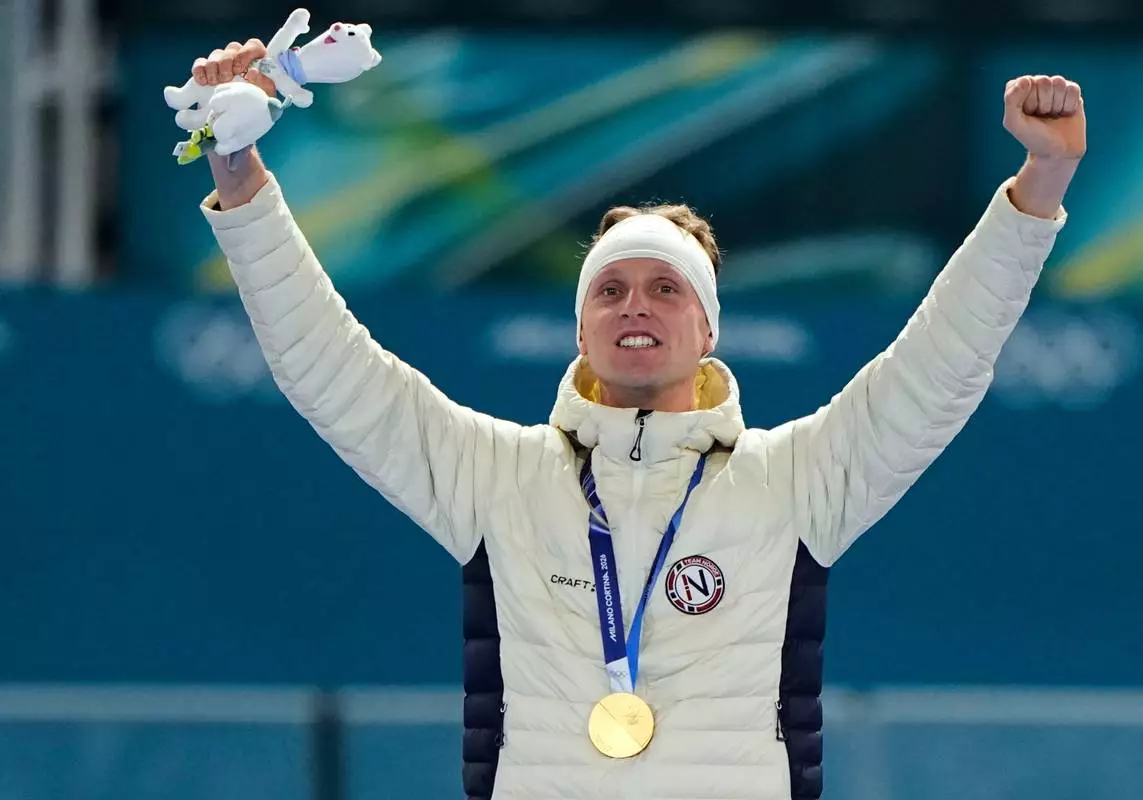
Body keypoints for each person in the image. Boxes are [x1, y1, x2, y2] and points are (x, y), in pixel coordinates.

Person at [192, 39, 1085, 800]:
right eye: (611, 290)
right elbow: (328, 367)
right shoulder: (496, 477)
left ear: (707, 330)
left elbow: (942, 364)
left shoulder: (795, 479)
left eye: (666, 289)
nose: (636, 306)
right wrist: (238, 171)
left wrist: (1041, 180)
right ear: (581, 329)